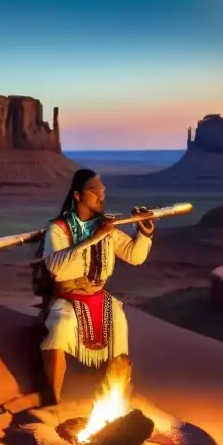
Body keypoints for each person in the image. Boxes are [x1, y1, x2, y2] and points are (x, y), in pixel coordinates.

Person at [37, 168, 155, 404]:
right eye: (94, 191)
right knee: (61, 326)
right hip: (68, 297)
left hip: (99, 296)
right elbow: (57, 269)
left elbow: (135, 256)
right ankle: (53, 399)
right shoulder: (58, 229)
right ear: (78, 196)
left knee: (119, 323)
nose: (101, 196)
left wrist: (145, 234)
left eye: (103, 191)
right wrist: (95, 237)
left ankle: (117, 395)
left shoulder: (107, 228)